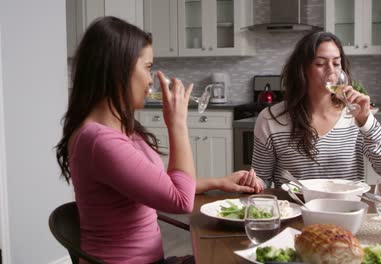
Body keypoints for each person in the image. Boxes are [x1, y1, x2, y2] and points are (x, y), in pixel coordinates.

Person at [55, 16, 262, 264]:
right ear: (118, 69)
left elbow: (163, 185)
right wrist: (177, 124)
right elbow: (181, 200)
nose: (151, 79)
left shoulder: (119, 129)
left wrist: (219, 181)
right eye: (148, 67)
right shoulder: (98, 140)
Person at [252, 31, 381, 188]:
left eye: (336, 63)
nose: (331, 71)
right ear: (301, 69)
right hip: (296, 210)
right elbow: (262, 179)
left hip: (346, 209)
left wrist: (366, 122)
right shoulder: (270, 119)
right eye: (320, 64)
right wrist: (253, 182)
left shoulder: (356, 116)